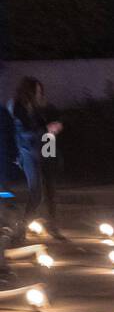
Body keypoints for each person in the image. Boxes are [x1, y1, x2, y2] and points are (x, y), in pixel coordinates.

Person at [7, 77, 63, 239]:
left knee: (51, 189)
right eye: (37, 91)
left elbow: (48, 129)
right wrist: (47, 128)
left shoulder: (39, 107)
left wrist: (53, 129)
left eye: (41, 91)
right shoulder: (17, 106)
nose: (40, 94)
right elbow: (26, 131)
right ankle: (21, 228)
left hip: (44, 147)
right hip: (28, 151)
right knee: (36, 192)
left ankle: (53, 227)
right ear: (29, 92)